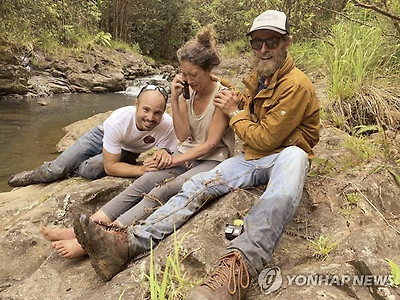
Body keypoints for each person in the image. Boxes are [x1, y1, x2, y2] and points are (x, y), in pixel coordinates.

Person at [73, 9, 320, 299]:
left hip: (284, 154)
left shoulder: (297, 85)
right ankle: (129, 243)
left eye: (272, 41)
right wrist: (209, 93)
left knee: (289, 174)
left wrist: (234, 112)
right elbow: (233, 112)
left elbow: (265, 138)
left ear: (286, 42)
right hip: (250, 158)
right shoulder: (259, 77)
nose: (264, 48)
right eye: (257, 42)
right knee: (196, 186)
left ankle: (238, 268)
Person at [40, 25, 235, 260]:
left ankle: (105, 237)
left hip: (213, 160)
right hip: (188, 154)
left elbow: (210, 145)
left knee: (167, 188)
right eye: (183, 74)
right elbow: (183, 136)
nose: (187, 79)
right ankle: (86, 228)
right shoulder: (188, 91)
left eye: (193, 74)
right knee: (145, 180)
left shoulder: (222, 95)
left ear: (209, 70)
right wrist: (174, 98)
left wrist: (173, 159)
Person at [7, 84, 177, 187]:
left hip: (128, 150)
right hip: (100, 136)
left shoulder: (167, 124)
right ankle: (32, 176)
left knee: (89, 170)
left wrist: (165, 152)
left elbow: (169, 150)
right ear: (136, 105)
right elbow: (111, 167)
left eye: (157, 113)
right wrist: (141, 170)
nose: (150, 118)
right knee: (57, 169)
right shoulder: (118, 121)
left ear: (163, 112)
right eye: (146, 110)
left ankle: (74, 169)